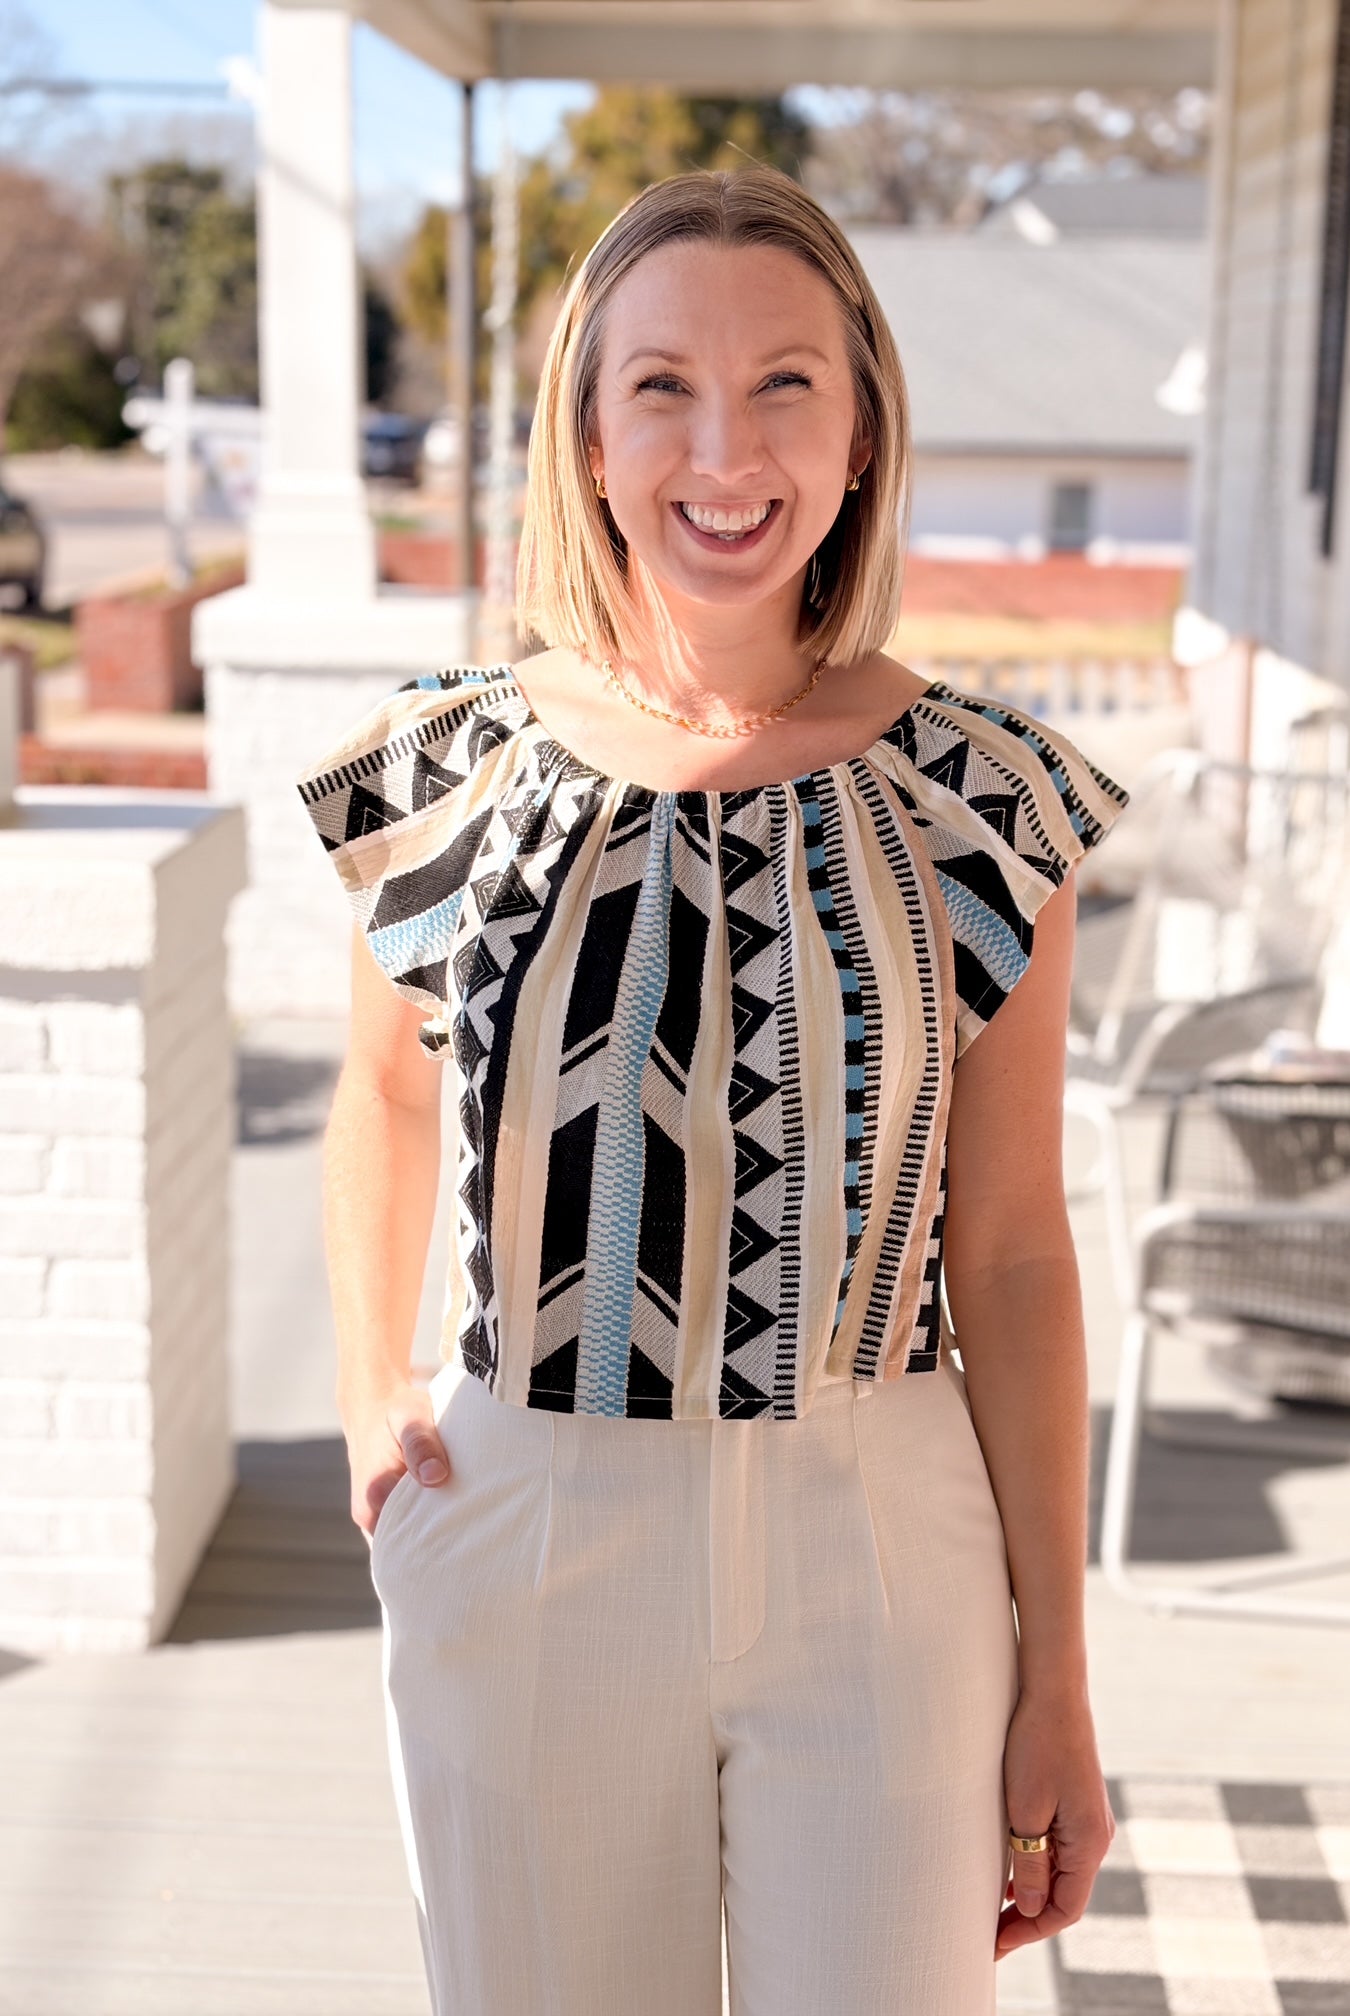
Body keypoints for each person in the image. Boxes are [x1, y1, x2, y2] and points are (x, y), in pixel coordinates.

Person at [295, 162, 1128, 2016]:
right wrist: (366, 1396)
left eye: (783, 386)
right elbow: (382, 1096)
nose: (723, 450)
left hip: (881, 1540)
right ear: (588, 436)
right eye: (661, 384)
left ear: (859, 436)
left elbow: (1010, 1253)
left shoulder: (985, 802)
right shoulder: (442, 771)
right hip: (527, 1521)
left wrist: (1058, 1675)